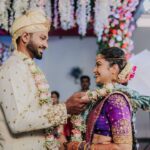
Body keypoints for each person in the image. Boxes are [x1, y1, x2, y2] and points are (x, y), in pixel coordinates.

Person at [0, 9, 89, 150]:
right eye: (42, 38)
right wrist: (64, 108)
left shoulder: (30, 68)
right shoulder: (12, 69)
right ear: (25, 37)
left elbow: (36, 116)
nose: (46, 45)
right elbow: (18, 122)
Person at [66, 47, 150, 150]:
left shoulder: (116, 100)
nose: (94, 70)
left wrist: (80, 147)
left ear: (113, 69)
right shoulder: (100, 98)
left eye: (98, 64)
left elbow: (123, 148)